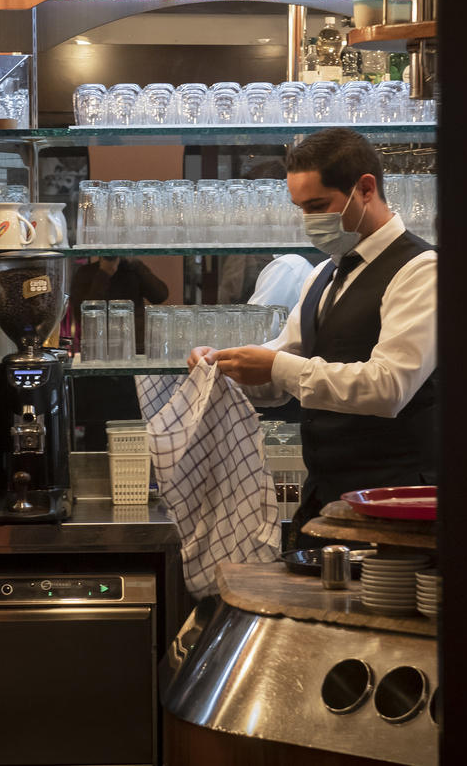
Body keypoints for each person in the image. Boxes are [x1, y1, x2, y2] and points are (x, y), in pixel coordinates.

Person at [187, 128, 437, 548]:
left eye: (318, 206)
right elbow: (283, 370)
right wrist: (225, 366)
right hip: (326, 494)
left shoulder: (421, 269)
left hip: (401, 500)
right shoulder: (325, 273)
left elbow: (389, 387)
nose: (309, 222)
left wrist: (275, 365)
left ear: (365, 188)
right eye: (301, 208)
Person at [69, 255, 169, 352]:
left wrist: (135, 263)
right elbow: (81, 314)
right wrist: (104, 273)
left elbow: (160, 296)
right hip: (100, 345)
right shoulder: (86, 272)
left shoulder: (132, 269)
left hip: (135, 344)